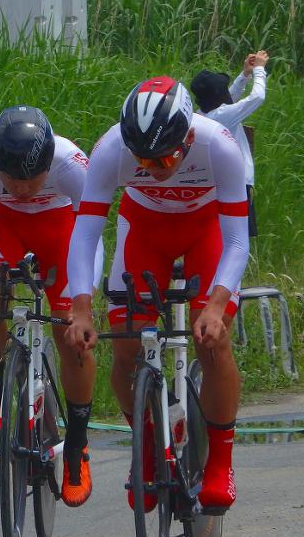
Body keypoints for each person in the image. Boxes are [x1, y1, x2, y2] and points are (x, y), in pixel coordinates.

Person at [66, 77, 249, 511]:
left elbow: (238, 241)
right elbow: (86, 231)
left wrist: (216, 305)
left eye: (165, 157)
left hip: (207, 230)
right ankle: (147, 444)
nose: (155, 168)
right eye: (143, 160)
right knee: (127, 347)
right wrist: (80, 307)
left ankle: (220, 463)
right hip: (145, 229)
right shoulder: (112, 149)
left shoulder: (219, 145)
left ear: (188, 136)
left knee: (213, 339)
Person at [0, 106, 98, 506]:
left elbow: (89, 241)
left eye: (33, 179)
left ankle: (77, 446)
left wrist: (82, 305)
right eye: (12, 179)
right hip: (4, 223)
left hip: (61, 228)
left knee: (69, 332)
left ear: (49, 164)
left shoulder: (73, 165)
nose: (24, 188)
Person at [191, 50, 269, 237]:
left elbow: (228, 100)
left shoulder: (203, 114)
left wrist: (244, 75)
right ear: (218, 96)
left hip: (216, 183)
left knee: (218, 236)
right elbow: (257, 97)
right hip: (239, 184)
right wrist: (259, 70)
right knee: (236, 239)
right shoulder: (222, 116)